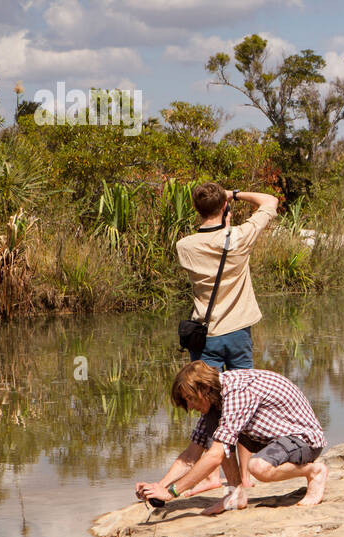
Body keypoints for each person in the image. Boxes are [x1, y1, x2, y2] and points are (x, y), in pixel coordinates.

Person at [174, 183, 279, 495]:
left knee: (211, 408)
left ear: (197, 209)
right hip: (238, 334)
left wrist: (222, 213)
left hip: (205, 337)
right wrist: (234, 194)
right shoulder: (239, 238)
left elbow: (208, 245)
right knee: (243, 406)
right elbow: (269, 201)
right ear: (224, 208)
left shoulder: (185, 246)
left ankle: (216, 476)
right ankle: (245, 477)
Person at [136, 361, 329, 515]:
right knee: (218, 437)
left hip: (303, 438)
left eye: (191, 398)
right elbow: (190, 456)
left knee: (257, 467)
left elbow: (215, 456)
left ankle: (314, 472)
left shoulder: (237, 393)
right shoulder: (215, 400)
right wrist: (158, 487)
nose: (190, 406)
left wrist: (172, 493)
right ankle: (235, 494)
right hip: (271, 438)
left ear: (205, 389)